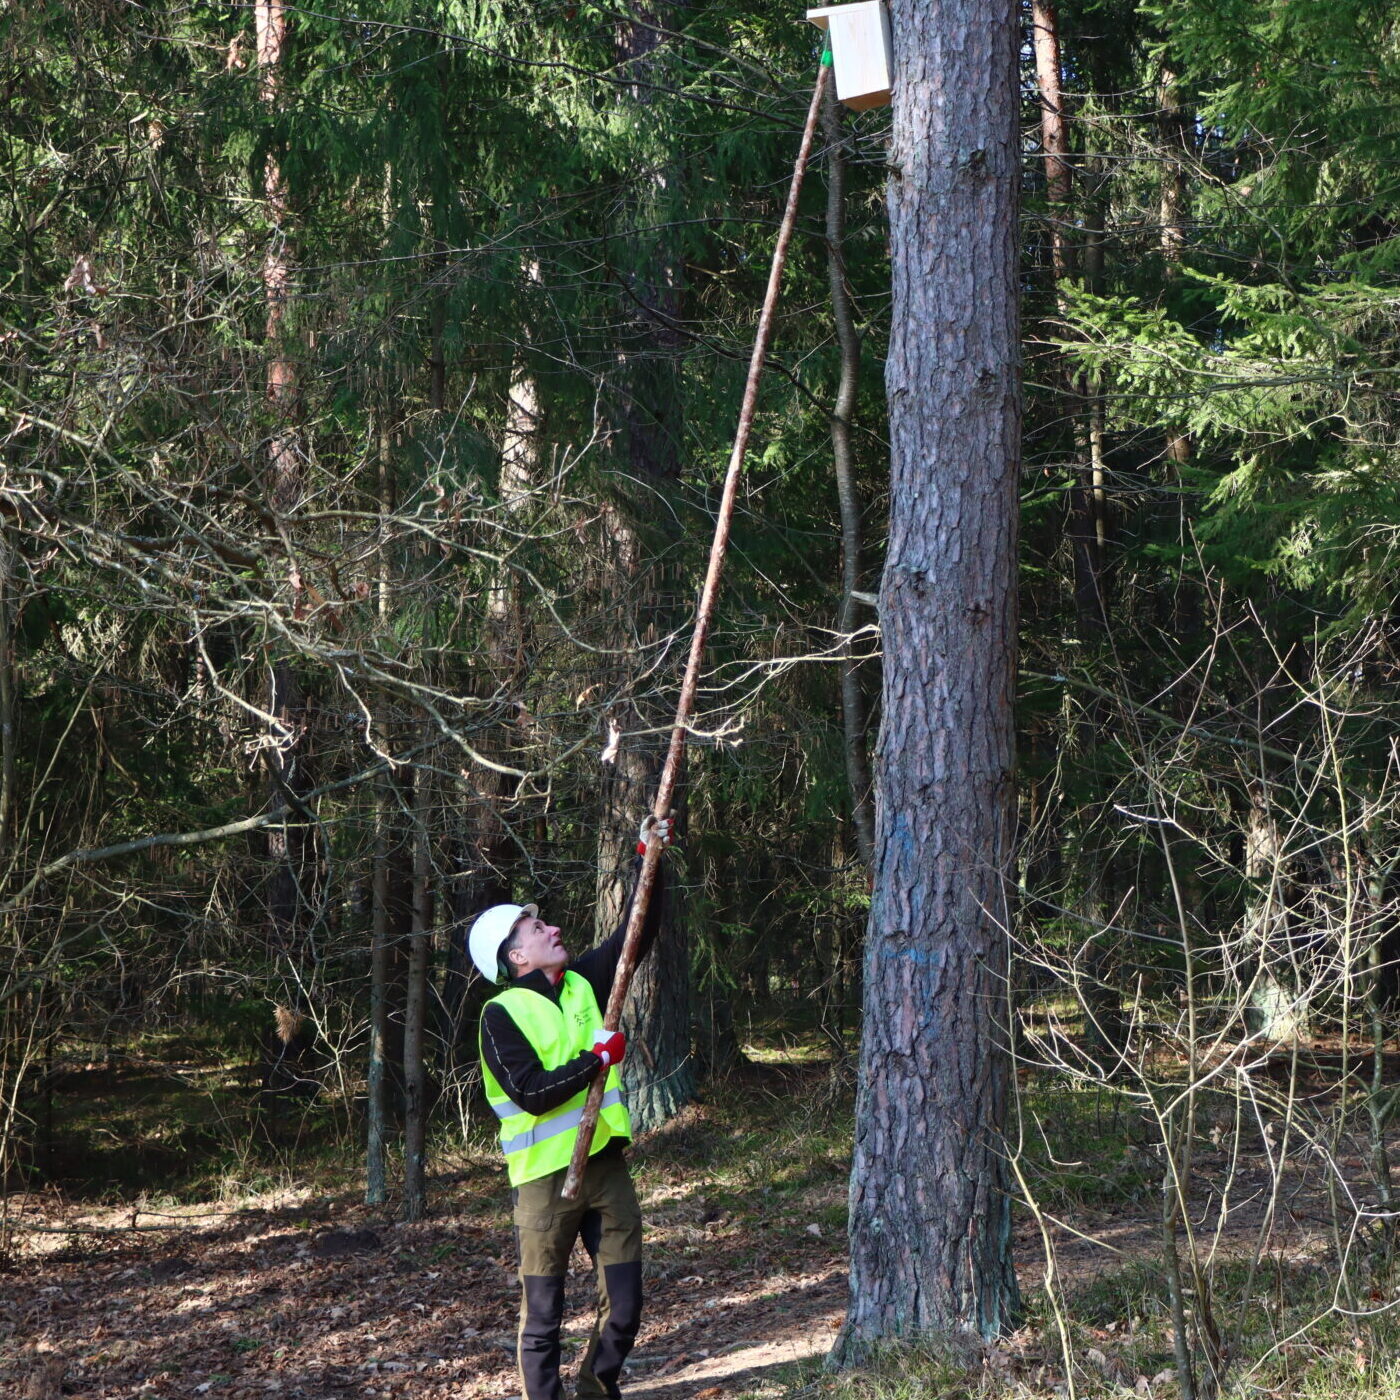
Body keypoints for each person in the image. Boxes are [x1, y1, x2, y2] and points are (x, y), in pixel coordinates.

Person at [468, 814, 674, 1400]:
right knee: (543, 1319)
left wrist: (647, 859)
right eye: (536, 929)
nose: (552, 928)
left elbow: (639, 932)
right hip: (542, 1183)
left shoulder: (584, 981)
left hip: (604, 1166)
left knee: (626, 1303)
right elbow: (530, 1092)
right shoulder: (500, 1015)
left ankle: (594, 1389)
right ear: (516, 959)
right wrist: (596, 1059)